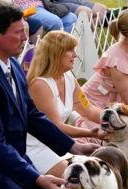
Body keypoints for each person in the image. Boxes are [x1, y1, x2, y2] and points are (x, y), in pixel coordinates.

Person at [0, 2, 99, 189]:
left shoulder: (12, 65)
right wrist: (36, 178)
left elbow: (32, 115)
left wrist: (72, 146)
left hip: (14, 167)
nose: (25, 38)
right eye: (18, 33)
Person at [26, 30, 108, 177]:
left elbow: (88, 109)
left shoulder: (68, 77)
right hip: (37, 148)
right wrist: (89, 133)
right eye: (70, 50)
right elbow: (54, 127)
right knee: (85, 177)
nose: (75, 55)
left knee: (99, 172)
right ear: (56, 54)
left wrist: (112, 122)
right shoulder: (40, 84)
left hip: (58, 143)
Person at [13, 0, 77, 33]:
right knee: (55, 22)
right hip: (27, 7)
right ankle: (57, 54)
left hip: (45, 5)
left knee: (71, 18)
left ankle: (66, 49)